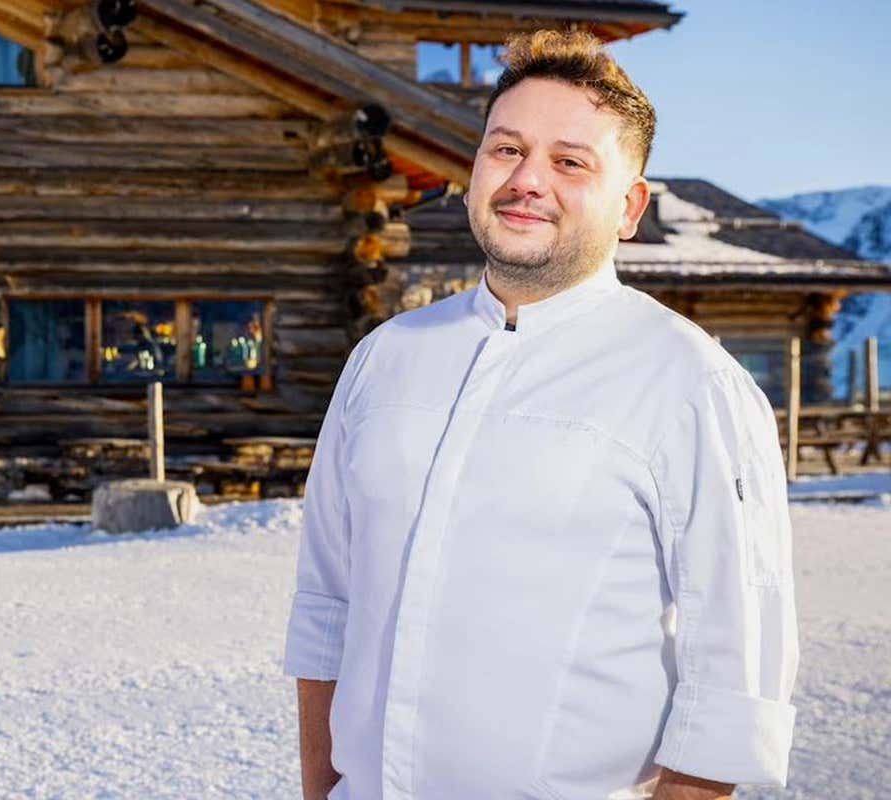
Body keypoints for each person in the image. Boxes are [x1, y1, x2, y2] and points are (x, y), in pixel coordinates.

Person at [283, 29, 798, 800]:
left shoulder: (691, 383)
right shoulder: (386, 358)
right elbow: (327, 606)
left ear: (629, 207)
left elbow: (737, 672)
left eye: (570, 160)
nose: (528, 179)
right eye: (505, 149)